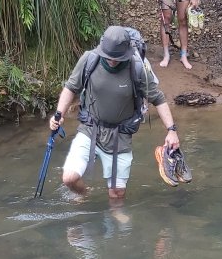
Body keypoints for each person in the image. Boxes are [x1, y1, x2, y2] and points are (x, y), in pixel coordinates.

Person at [49, 25, 181, 202]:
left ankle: (116, 217)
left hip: (120, 136)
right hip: (90, 128)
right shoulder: (90, 59)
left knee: (117, 194)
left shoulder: (137, 68)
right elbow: (71, 87)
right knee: (69, 178)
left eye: (117, 58)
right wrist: (59, 114)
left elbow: (158, 98)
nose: (112, 61)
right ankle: (84, 196)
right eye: (108, 57)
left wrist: (171, 130)